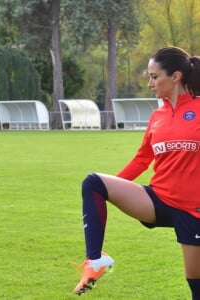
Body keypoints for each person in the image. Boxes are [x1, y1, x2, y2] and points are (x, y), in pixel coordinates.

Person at [73, 46, 200, 299]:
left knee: (197, 287)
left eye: (154, 77)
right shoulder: (157, 116)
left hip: (193, 210)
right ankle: (96, 260)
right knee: (94, 183)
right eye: (148, 77)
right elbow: (142, 160)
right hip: (158, 200)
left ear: (175, 77)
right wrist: (115, 189)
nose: (150, 83)